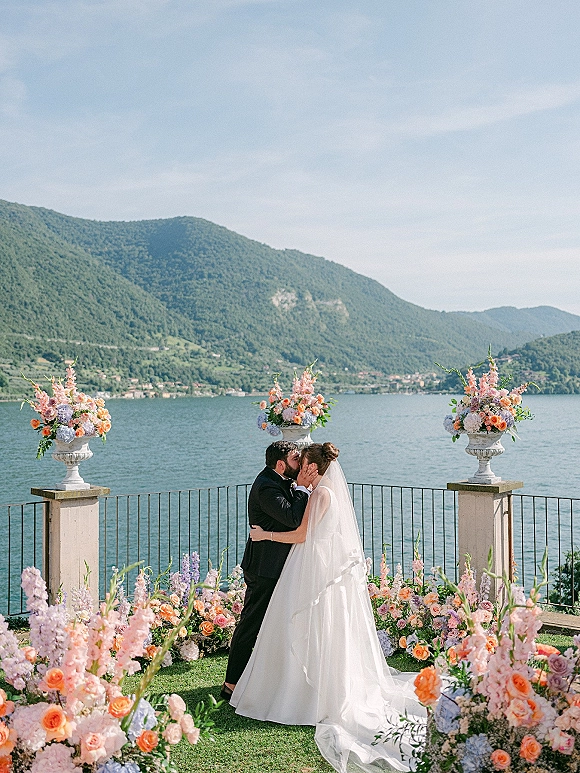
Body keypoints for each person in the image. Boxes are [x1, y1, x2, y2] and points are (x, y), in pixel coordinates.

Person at [230, 443, 426, 773]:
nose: (299, 469)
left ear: (312, 468)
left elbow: (302, 534)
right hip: (320, 569)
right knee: (319, 628)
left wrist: (265, 535)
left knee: (302, 625)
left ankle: (304, 692)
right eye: (295, 462)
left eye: (303, 463)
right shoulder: (324, 492)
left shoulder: (319, 495)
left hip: (310, 568)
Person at [221, 440, 318, 701]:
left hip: (280, 567)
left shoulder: (280, 481)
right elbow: (292, 519)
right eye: (296, 459)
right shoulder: (266, 487)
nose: (300, 465)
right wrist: (302, 488)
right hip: (264, 568)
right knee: (251, 624)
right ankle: (230, 684)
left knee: (275, 625)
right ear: (281, 463)